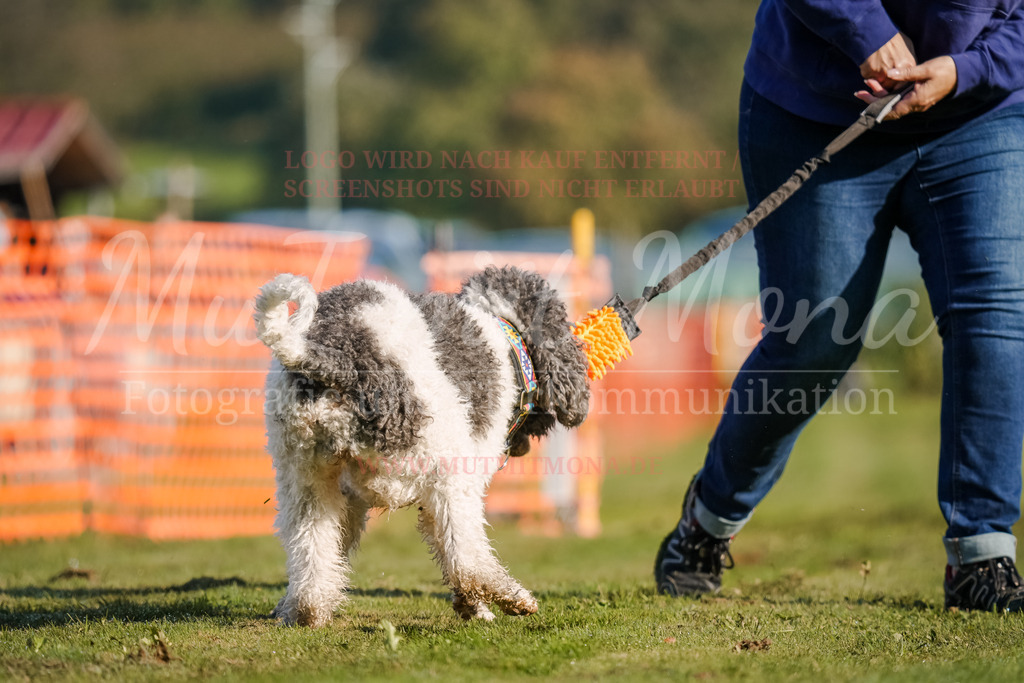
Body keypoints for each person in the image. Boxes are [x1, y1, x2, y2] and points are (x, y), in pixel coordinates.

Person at [654, 0, 1024, 612]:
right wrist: (867, 32)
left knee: (996, 315)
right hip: (816, 108)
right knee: (814, 341)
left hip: (978, 115)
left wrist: (967, 71)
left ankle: (982, 556)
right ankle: (707, 523)